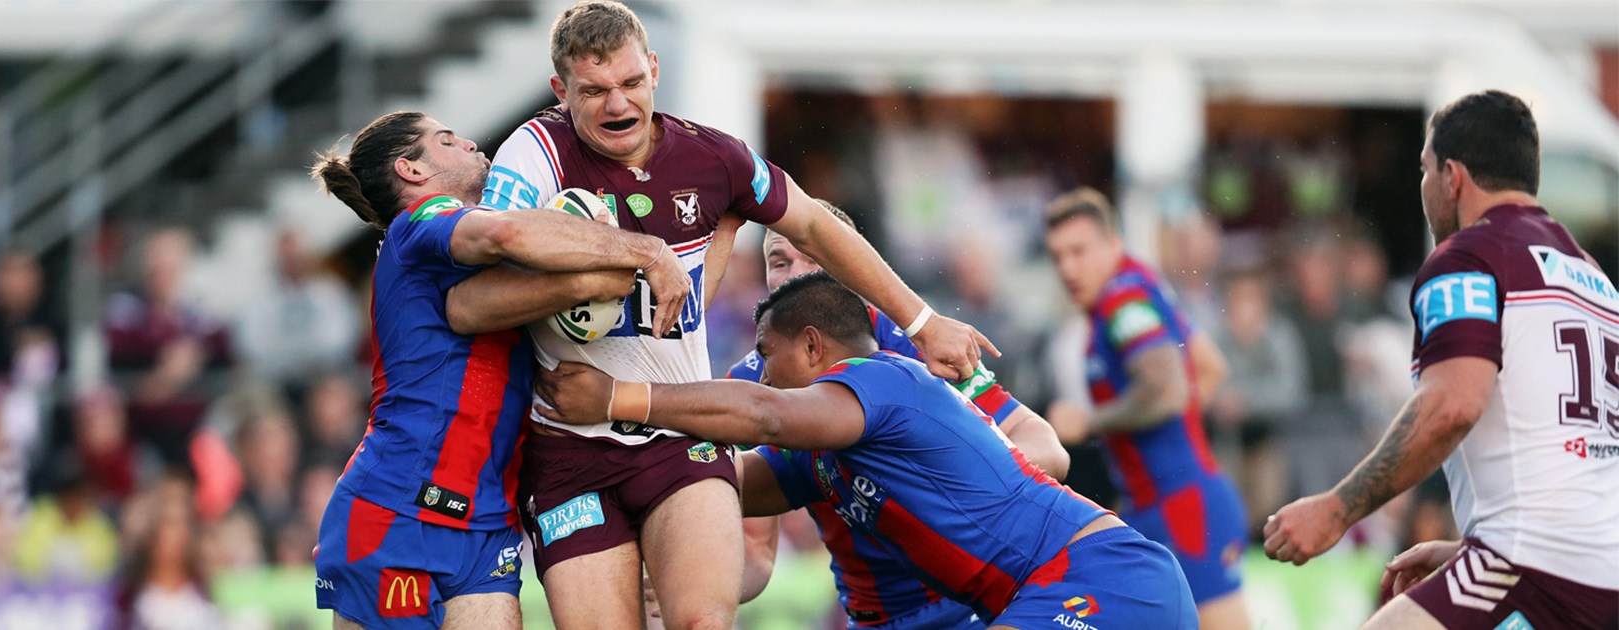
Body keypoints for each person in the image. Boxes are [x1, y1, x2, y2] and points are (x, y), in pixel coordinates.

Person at [470, 3, 997, 626]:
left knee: (702, 622)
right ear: (561, 92)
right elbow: (475, 296)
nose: (618, 104)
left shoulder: (712, 156)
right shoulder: (535, 152)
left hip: (678, 441)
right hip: (568, 451)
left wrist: (922, 322)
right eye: (594, 91)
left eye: (631, 82)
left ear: (654, 69)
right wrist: (622, 262)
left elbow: (813, 223)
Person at [536, 273, 1197, 629]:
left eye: (767, 355)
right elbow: (714, 482)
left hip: (1100, 577)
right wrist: (594, 471)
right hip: (1050, 589)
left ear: (814, 346)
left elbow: (765, 413)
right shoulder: (820, 453)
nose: (760, 371)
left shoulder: (885, 378)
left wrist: (618, 397)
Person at [306, 110, 689, 630]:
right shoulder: (419, 223)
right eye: (446, 140)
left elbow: (557, 277)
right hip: (398, 510)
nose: (468, 142)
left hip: (487, 520)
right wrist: (648, 251)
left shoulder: (471, 265)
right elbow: (505, 232)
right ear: (411, 170)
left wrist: (594, 276)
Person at [1263, 90, 1619, 629]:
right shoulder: (1592, 275)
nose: (1424, 186)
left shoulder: (1471, 255)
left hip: (1534, 565)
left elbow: (1452, 405)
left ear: (1452, 177)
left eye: (1424, 169)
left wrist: (1337, 509)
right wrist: (1468, 548)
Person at [720, 201, 1069, 628]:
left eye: (813, 258)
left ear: (851, 265)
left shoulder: (916, 343)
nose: (795, 275)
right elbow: (756, 553)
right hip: (874, 616)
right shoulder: (754, 383)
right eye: (779, 262)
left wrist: (949, 482)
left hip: (976, 602)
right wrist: (693, 590)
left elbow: (1047, 447)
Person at [1041, 188, 1250, 629]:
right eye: (1057, 256)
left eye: (1079, 252)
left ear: (1112, 244)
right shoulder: (1140, 283)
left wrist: (1089, 421)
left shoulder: (1122, 303)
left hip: (1184, 512)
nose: (1067, 269)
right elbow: (1209, 368)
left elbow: (1167, 393)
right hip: (1160, 506)